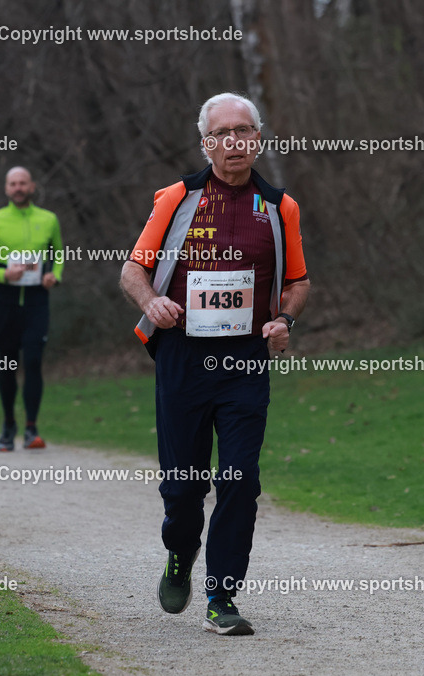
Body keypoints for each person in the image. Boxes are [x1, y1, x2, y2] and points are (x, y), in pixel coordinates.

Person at [120, 92, 310, 636]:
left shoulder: (280, 207)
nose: (234, 141)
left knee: (241, 480)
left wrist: (285, 321)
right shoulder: (176, 199)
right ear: (206, 142)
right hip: (182, 357)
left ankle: (221, 596)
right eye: (223, 132)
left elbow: (298, 281)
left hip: (246, 362)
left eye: (244, 130)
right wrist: (150, 301)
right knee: (183, 487)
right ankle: (180, 551)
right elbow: (134, 269)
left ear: (258, 138)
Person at [0, 166, 63, 451]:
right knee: (7, 365)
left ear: (32, 186)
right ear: (6, 188)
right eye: (13, 183)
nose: (18, 188)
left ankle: (31, 428)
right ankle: (7, 424)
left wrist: (54, 276)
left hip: (37, 302)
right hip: (6, 302)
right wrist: (3, 275)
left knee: (34, 362)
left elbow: (58, 255)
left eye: (23, 183)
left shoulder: (48, 219)